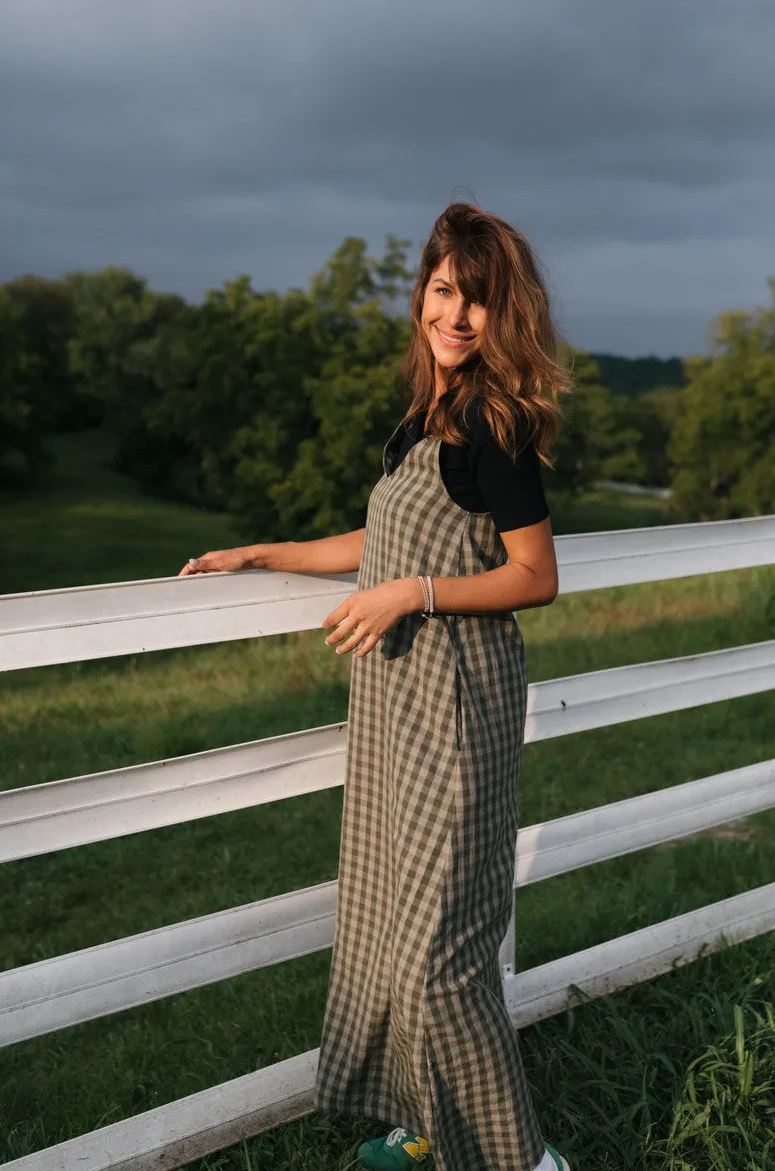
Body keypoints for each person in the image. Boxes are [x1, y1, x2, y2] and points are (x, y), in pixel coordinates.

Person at [179, 203, 574, 1170]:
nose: (456, 316)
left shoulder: (495, 422)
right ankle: (427, 1123)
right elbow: (379, 542)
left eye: (478, 301)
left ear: (504, 315)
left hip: (459, 707)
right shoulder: (420, 419)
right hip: (394, 710)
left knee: (443, 957)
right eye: (445, 291)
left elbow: (534, 576)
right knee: (390, 922)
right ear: (421, 297)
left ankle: (524, 1162)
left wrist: (415, 595)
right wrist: (262, 551)